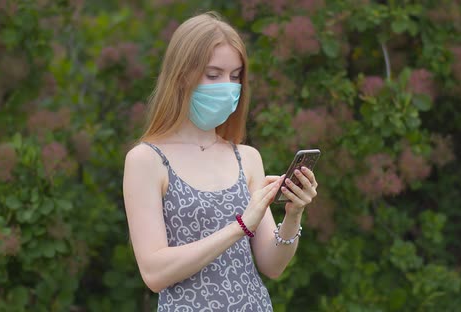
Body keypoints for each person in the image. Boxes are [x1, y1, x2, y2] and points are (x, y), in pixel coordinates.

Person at [122, 11, 318, 312]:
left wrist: (293, 216)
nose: (227, 86)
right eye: (213, 75)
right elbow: (154, 272)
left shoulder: (247, 158)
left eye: (235, 75)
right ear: (182, 75)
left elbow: (272, 266)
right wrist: (239, 226)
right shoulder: (147, 160)